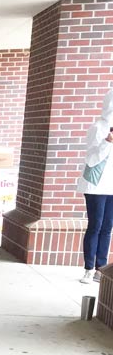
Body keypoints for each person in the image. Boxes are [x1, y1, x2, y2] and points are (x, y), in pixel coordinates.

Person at [76, 88, 113, 284]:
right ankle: (89, 268)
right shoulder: (97, 127)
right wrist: (107, 143)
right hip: (96, 186)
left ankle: (101, 267)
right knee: (96, 225)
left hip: (111, 186)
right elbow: (91, 158)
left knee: (108, 227)